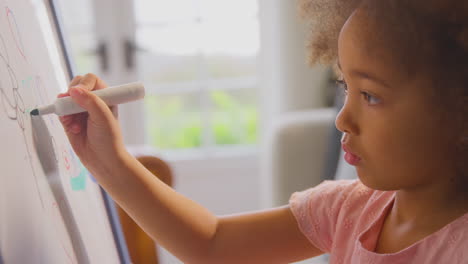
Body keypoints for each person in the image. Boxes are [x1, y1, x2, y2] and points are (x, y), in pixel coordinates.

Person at [57, 0, 468, 263]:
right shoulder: (350, 210)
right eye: (346, 87)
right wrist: (109, 160)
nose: (343, 119)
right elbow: (212, 244)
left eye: (371, 96)